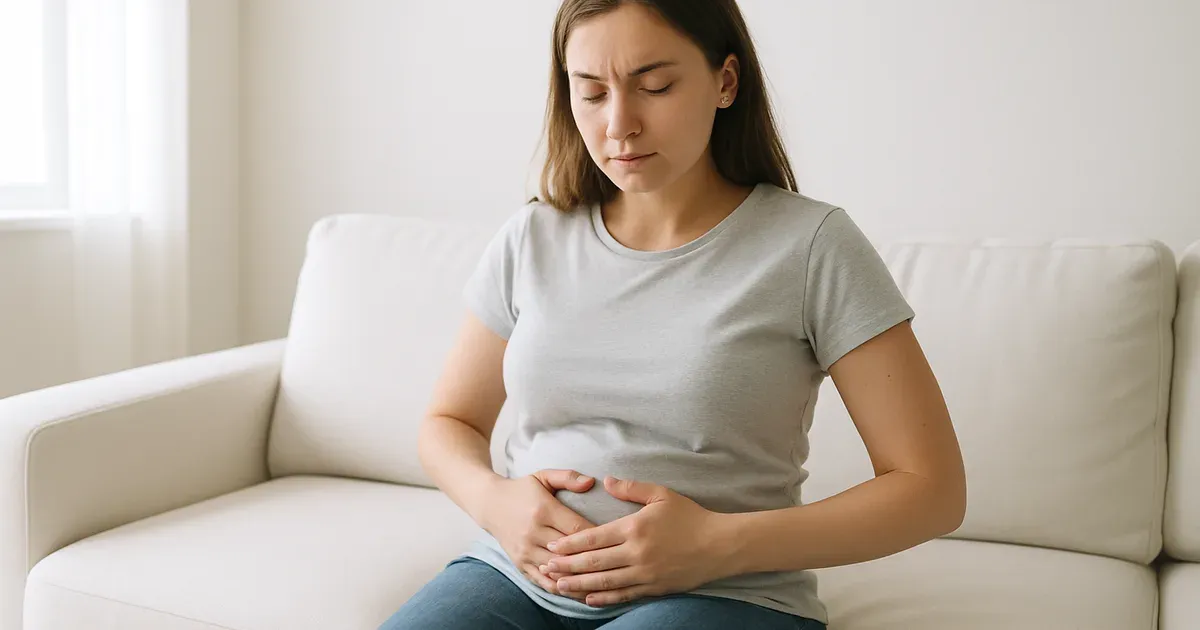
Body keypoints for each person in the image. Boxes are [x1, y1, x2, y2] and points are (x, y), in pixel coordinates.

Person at [380, 0, 966, 628]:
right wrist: (497, 503)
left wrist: (716, 544)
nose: (620, 124)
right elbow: (448, 423)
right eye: (592, 93)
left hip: (723, 595)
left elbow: (931, 490)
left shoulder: (812, 245)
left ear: (726, 82)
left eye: (654, 86)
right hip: (518, 578)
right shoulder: (534, 236)